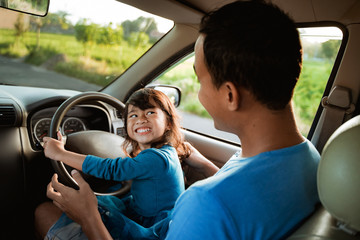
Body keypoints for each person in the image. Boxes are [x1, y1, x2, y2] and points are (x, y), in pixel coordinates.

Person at [36, 1, 320, 239]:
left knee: (43, 213)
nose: (199, 92)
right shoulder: (310, 159)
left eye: (200, 79)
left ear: (230, 95)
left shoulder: (208, 203)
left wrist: (89, 218)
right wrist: (209, 167)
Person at [34, 88, 190, 239]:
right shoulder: (167, 151)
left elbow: (111, 168)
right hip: (144, 211)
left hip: (150, 225)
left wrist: (61, 153)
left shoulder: (156, 158)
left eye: (150, 112)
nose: (141, 119)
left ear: (168, 123)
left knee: (45, 211)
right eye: (133, 115)